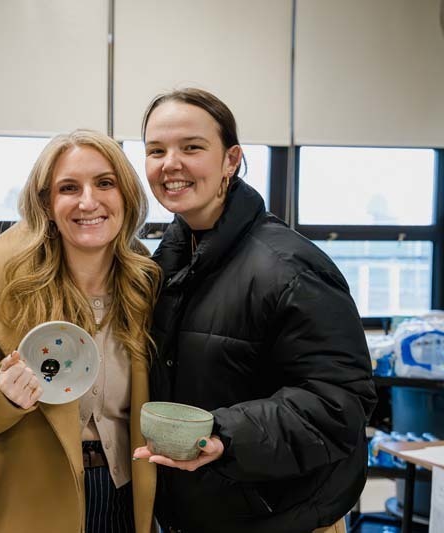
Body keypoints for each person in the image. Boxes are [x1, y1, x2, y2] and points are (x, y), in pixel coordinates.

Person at [132, 88, 377, 533]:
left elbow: (340, 403)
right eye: (156, 150)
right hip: (200, 515)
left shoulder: (290, 268)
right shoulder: (164, 268)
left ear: (231, 159)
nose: (171, 164)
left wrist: (224, 435)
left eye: (192, 147)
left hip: (281, 518)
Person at [0, 129, 161, 533]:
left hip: (125, 499)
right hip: (29, 503)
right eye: (69, 188)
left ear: (127, 196)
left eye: (105, 183)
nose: (88, 201)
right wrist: (2, 395)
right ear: (46, 204)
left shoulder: (147, 288)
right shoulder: (3, 289)